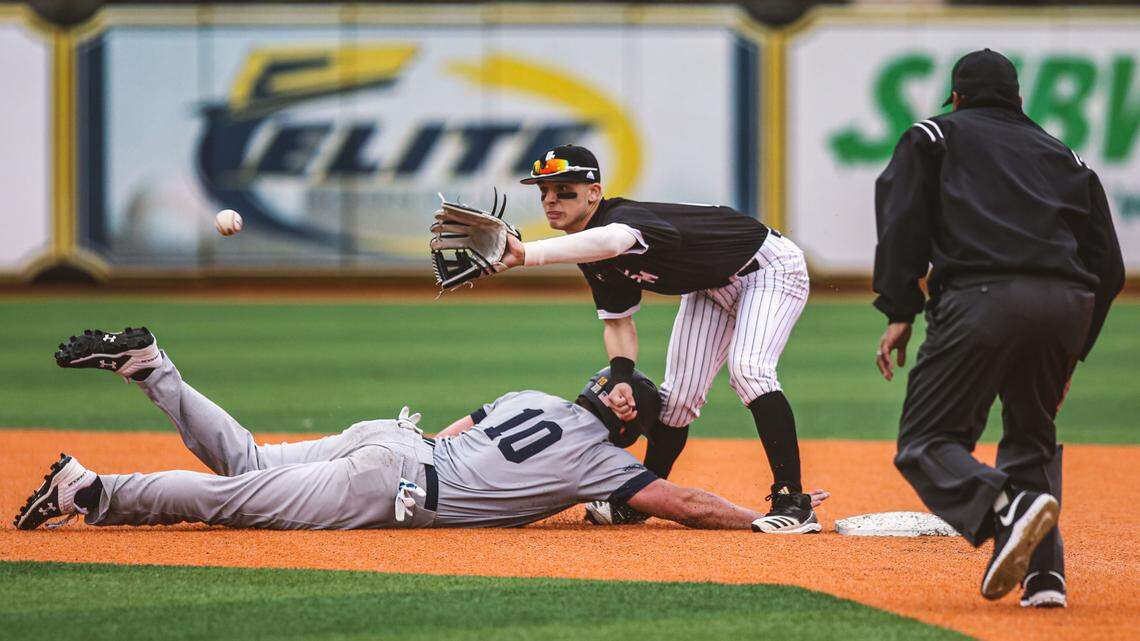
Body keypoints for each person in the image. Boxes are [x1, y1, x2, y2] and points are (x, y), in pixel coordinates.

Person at [14, 327, 828, 532]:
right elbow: (680, 498)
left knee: (254, 459)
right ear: (630, 427)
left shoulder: (531, 395)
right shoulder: (597, 462)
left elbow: (459, 425)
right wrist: (759, 517)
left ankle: (155, 368)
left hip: (401, 441)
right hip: (397, 484)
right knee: (235, 497)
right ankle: (94, 488)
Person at [872, 49, 1124, 607]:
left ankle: (1004, 507)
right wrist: (1075, 345)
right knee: (1031, 438)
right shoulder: (1067, 157)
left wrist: (898, 311)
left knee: (926, 443)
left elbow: (902, 219)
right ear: (1017, 99)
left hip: (981, 297)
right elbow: (1108, 265)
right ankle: (1045, 579)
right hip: (1066, 304)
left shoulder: (933, 136)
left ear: (957, 97)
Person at [495, 145, 816, 533]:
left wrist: (526, 253)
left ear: (594, 193)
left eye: (565, 189)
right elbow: (617, 324)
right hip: (710, 287)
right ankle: (641, 495)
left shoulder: (623, 220)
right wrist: (622, 378)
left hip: (769, 268)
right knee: (677, 401)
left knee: (750, 370)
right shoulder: (591, 257)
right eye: (543, 191)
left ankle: (793, 500)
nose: (550, 200)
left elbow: (613, 241)